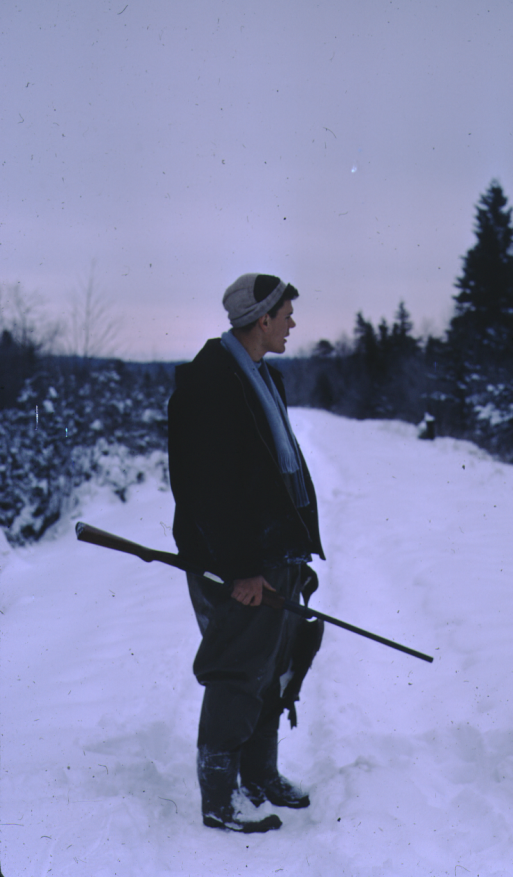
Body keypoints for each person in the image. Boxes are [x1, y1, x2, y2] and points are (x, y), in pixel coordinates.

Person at [168, 273, 325, 834]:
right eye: (286, 314)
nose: (292, 323)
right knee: (238, 671)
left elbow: (273, 473)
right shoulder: (212, 380)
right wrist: (241, 570)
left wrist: (293, 549)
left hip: (273, 551)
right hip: (241, 561)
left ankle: (259, 776)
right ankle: (218, 801)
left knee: (275, 665)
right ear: (262, 319)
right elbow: (209, 487)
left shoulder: (260, 375)